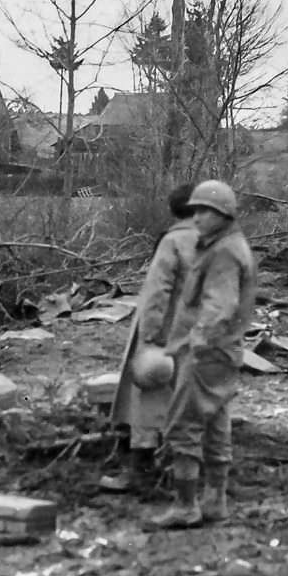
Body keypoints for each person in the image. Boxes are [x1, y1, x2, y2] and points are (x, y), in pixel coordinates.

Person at [150, 180, 257, 530]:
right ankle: (215, 501)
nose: (196, 218)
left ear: (222, 214)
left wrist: (196, 342)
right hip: (225, 353)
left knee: (184, 426)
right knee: (216, 424)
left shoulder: (224, 251)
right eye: (194, 211)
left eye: (203, 212)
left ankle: (185, 505)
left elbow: (219, 307)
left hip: (207, 353)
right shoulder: (227, 244)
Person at [99, 184, 198, 493]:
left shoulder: (172, 242)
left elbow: (157, 294)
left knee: (145, 402)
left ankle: (140, 472)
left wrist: (150, 339)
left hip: (165, 334)